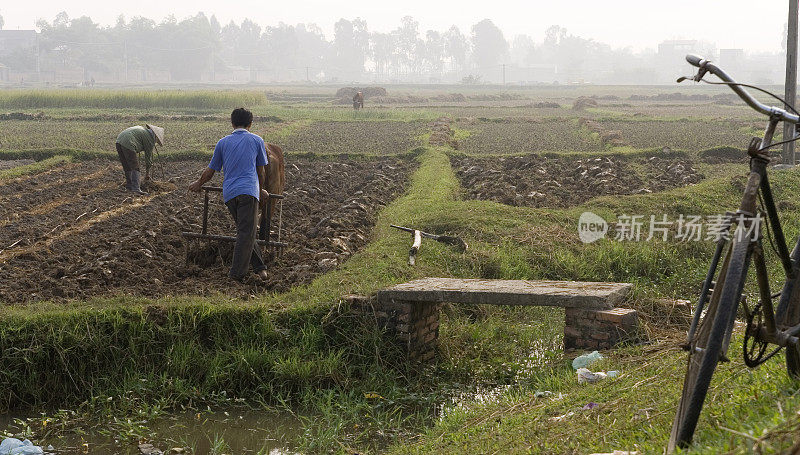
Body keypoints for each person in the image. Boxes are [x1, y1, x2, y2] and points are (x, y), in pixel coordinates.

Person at [188, 108, 270, 281]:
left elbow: (211, 170)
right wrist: (260, 189)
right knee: (245, 233)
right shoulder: (256, 140)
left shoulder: (223, 142)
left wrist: (199, 183)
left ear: (232, 123)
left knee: (245, 231)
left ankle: (260, 269)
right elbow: (261, 172)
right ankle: (236, 274)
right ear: (250, 124)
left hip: (230, 194)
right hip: (248, 192)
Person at [115, 124, 164, 195]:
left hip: (118, 141)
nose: (156, 142)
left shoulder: (142, 130)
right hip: (129, 143)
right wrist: (147, 174)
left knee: (127, 165)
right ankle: (136, 188)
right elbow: (148, 158)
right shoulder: (150, 139)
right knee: (135, 167)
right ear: (155, 136)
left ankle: (129, 186)